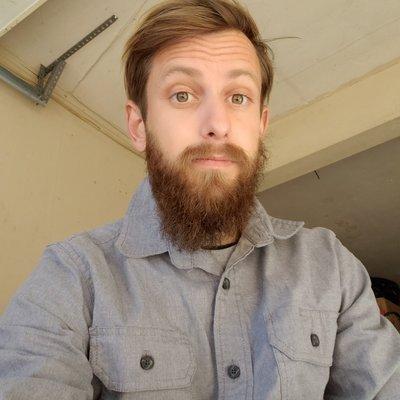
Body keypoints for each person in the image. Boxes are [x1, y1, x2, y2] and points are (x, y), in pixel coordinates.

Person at [0, 0, 399, 398]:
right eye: (182, 95)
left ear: (261, 125)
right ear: (139, 127)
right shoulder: (72, 277)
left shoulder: (330, 265)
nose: (217, 125)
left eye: (238, 97)